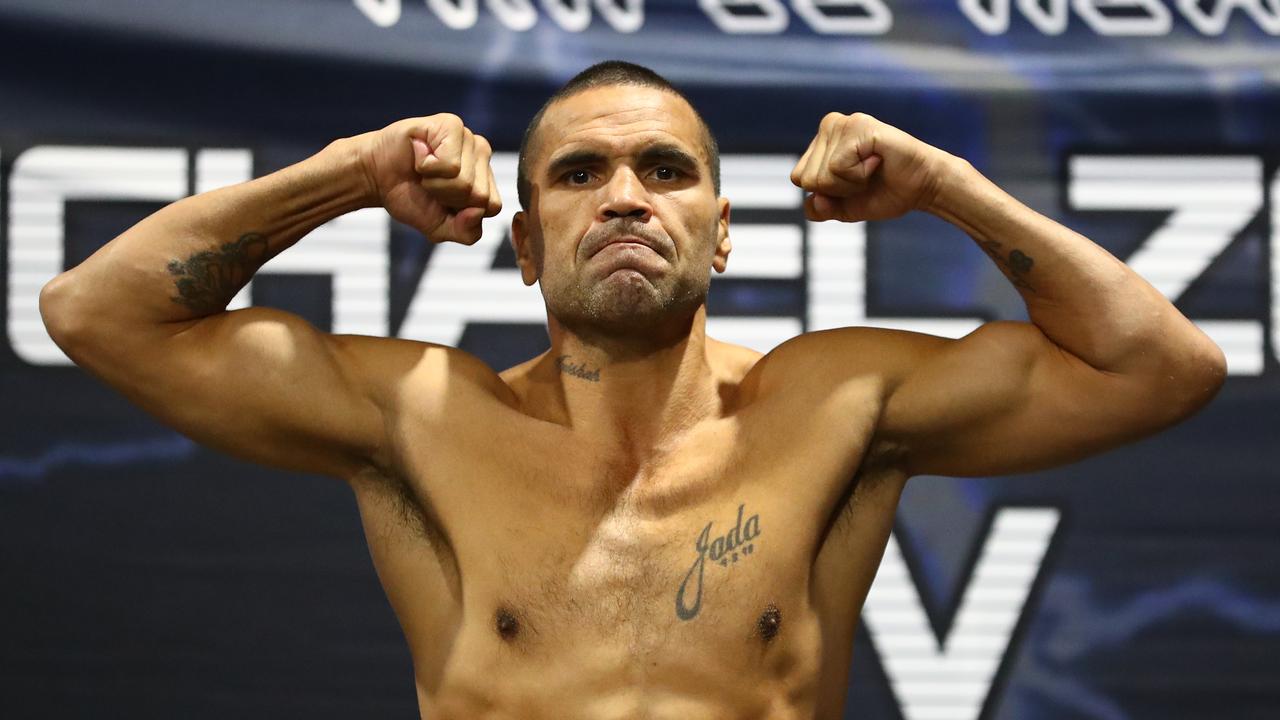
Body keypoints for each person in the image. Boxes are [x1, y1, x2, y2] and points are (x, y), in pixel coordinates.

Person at [38, 60, 1224, 718]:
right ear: (524, 242)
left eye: (664, 172)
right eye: (578, 173)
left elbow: (1161, 368)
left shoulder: (836, 406)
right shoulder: (421, 418)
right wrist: (355, 171)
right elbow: (98, 310)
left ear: (719, 238)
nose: (622, 197)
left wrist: (946, 183)